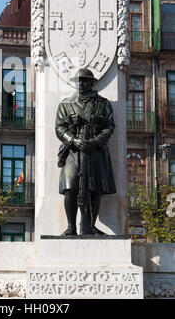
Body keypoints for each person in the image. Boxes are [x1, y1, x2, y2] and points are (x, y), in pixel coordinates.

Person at [55, 68, 116, 236]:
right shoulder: (66, 104)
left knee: (95, 188)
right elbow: (59, 128)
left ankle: (90, 225)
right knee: (70, 187)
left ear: (91, 82)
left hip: (94, 150)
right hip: (72, 151)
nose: (81, 84)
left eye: (84, 81)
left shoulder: (103, 104)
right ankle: (71, 227)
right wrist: (73, 140)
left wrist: (95, 142)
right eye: (79, 81)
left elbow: (110, 127)